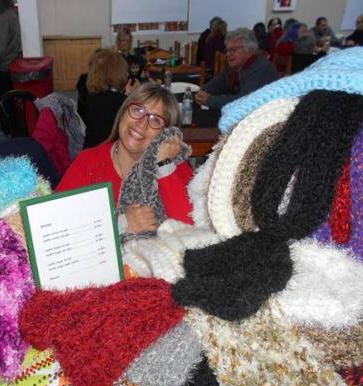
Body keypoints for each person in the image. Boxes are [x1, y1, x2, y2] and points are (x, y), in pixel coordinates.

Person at [57, 83, 194, 233]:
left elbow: (193, 231)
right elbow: (58, 228)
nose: (141, 124)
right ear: (123, 112)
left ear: (166, 134)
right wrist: (121, 224)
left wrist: (164, 165)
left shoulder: (173, 166)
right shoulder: (89, 162)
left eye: (155, 120)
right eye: (137, 110)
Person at [195, 28, 279, 110]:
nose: (228, 54)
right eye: (227, 50)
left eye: (233, 50)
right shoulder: (233, 69)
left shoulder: (263, 68)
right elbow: (212, 86)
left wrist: (210, 100)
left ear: (250, 50)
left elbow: (244, 101)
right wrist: (201, 93)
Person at [83, 49, 138, 148]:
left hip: (92, 148)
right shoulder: (118, 101)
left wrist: (126, 96)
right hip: (105, 152)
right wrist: (130, 97)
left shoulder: (93, 96)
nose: (126, 74)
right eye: (124, 71)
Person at [0, 0, 21, 136]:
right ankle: (15, 133)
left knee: (1, 104)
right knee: (11, 105)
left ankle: (9, 134)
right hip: (12, 66)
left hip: (2, 69)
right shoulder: (13, 16)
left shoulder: (2, 20)